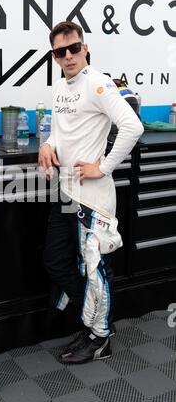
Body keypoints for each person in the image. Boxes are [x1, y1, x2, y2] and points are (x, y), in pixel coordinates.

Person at [39, 21, 144, 364]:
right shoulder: (59, 88)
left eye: (73, 48)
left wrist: (104, 166)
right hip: (66, 193)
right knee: (56, 261)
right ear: (54, 56)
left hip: (93, 196)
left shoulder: (98, 84)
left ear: (84, 47)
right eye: (60, 51)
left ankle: (100, 337)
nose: (68, 56)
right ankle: (91, 320)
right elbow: (59, 133)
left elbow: (133, 126)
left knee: (96, 268)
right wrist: (46, 144)